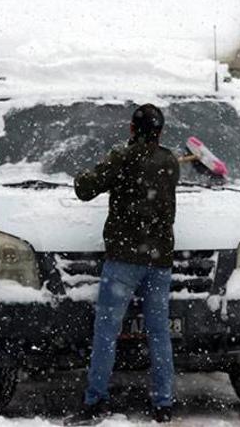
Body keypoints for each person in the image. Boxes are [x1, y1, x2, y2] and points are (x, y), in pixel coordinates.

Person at [65, 104, 180, 425]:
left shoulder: (122, 158)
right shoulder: (170, 162)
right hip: (159, 260)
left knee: (106, 332)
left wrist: (84, 173)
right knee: (159, 333)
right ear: (160, 132)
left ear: (132, 129)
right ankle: (163, 403)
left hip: (124, 260)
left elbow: (85, 189)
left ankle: (96, 400)